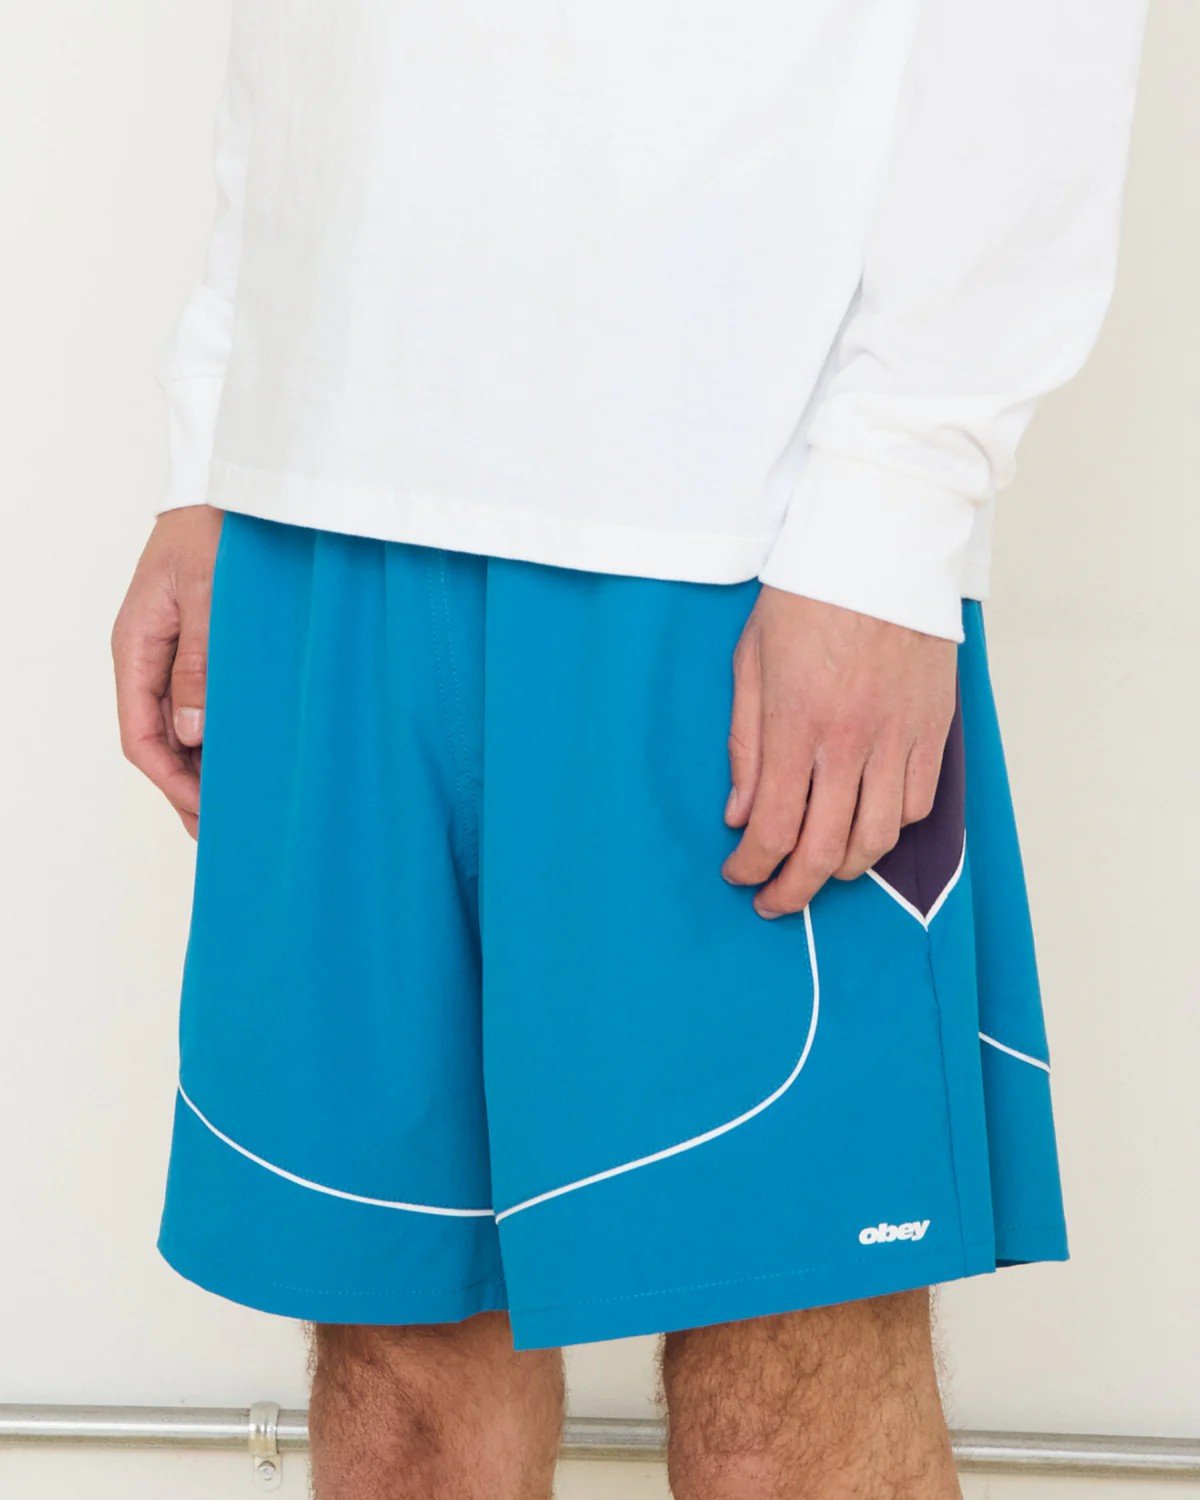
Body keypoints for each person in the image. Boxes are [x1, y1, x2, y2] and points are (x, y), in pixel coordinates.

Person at [112, 2, 1146, 1494]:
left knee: (783, 1376)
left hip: (730, 514)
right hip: (317, 486)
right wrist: (212, 446)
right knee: (397, 1381)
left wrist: (897, 504)